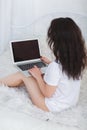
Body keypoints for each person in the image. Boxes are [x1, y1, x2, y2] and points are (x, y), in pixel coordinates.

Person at [0, 17, 87, 112]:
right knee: (34, 73)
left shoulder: (56, 67)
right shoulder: (79, 59)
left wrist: (38, 76)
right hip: (70, 102)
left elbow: (47, 93)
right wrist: (49, 63)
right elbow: (63, 75)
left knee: (23, 74)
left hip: (49, 106)